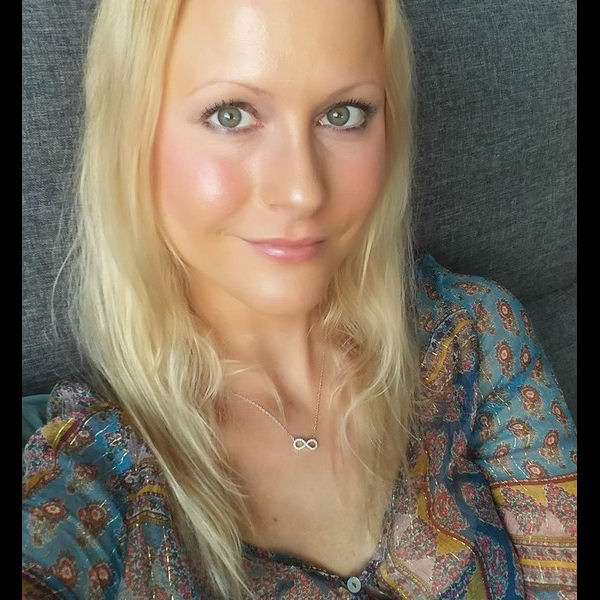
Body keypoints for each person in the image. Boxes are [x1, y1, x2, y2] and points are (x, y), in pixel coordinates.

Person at [22, 0, 577, 598]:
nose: (303, 190)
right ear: (131, 138)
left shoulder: (474, 337)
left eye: (343, 114)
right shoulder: (92, 476)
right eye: (231, 115)